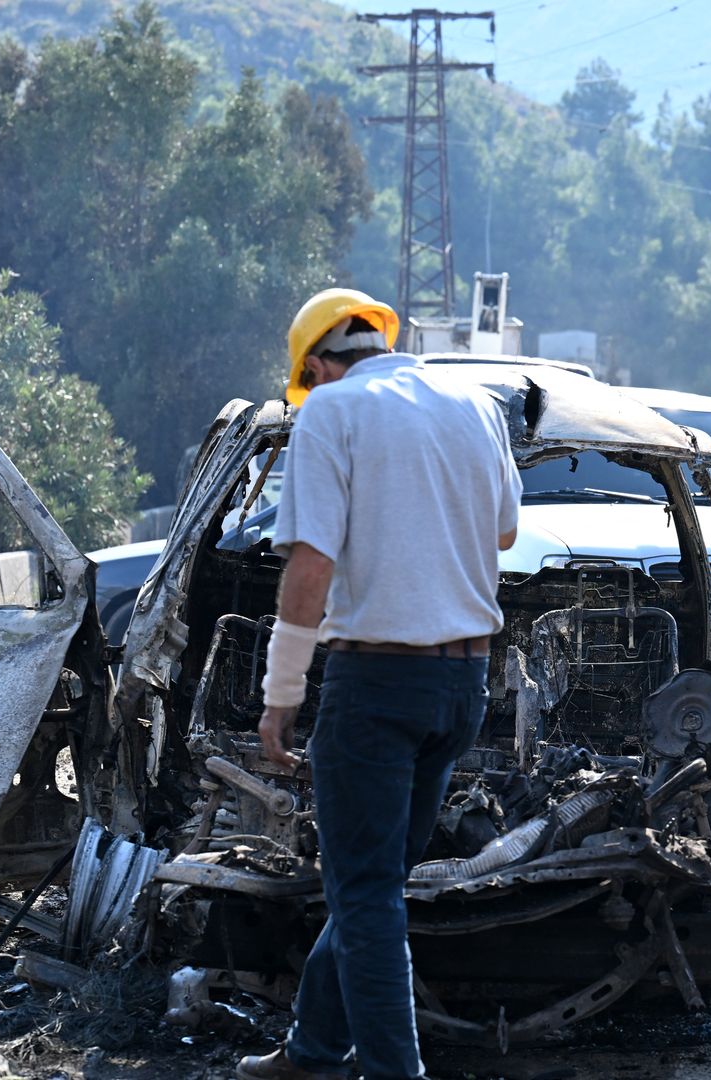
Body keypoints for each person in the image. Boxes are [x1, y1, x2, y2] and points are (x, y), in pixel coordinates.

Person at [237, 288, 522, 1080]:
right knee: (376, 883)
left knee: (364, 896)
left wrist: (281, 693)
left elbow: (309, 568)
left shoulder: (332, 412)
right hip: (463, 682)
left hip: (376, 682)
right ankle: (313, 1051)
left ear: (320, 365)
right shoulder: (474, 402)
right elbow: (504, 529)